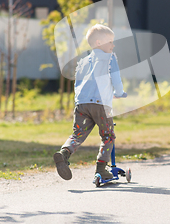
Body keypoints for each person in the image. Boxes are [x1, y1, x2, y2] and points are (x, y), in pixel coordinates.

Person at [53, 24, 127, 181]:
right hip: (101, 105)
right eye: (110, 42)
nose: (113, 45)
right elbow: (116, 79)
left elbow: (77, 83)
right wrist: (119, 93)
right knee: (108, 136)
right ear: (99, 42)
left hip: (82, 104)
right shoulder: (110, 58)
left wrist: (80, 101)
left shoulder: (83, 61)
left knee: (77, 134)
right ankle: (101, 168)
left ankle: (64, 152)